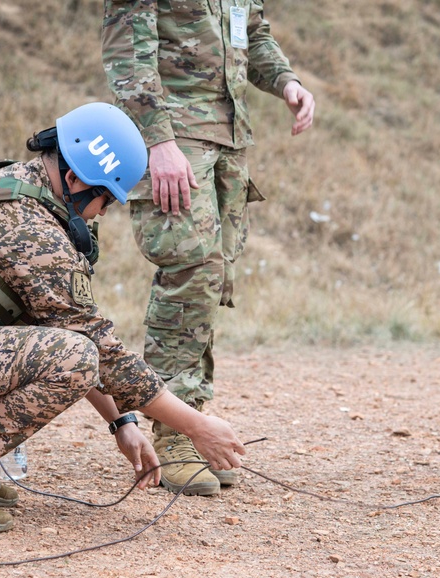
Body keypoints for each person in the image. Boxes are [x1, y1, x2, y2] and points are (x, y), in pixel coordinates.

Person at [0, 102, 247, 533]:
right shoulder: (28, 228)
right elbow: (93, 349)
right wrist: (197, 425)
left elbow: (63, 323)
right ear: (74, 179)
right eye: (105, 199)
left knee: (72, 348)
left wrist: (122, 423)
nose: (104, 213)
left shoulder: (15, 187)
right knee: (75, 356)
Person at [100, 1, 315, 496]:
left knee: (211, 281)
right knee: (189, 272)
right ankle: (172, 433)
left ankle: (191, 419)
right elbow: (127, 52)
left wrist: (287, 82)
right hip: (175, 140)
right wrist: (157, 142)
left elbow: (254, 36)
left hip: (228, 139)